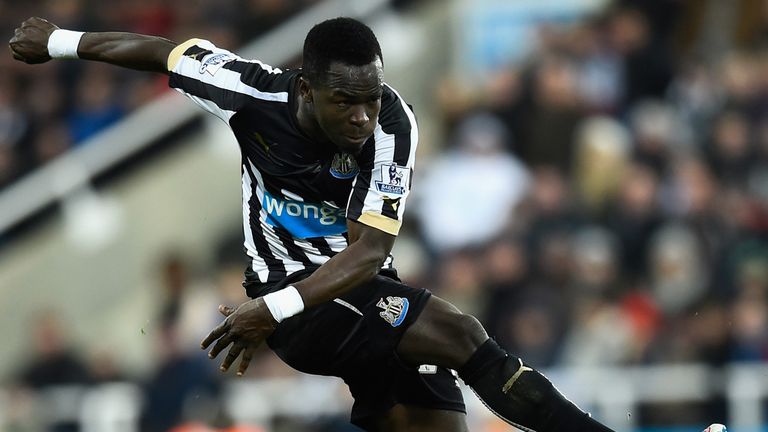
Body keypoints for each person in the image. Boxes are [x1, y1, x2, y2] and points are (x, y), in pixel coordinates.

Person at [9, 16, 619, 432]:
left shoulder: (391, 126)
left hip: (348, 290)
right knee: (461, 333)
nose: (361, 116)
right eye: (344, 101)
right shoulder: (251, 94)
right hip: (290, 301)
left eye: (371, 97)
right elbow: (162, 53)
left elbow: (369, 252)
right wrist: (61, 39)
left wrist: (262, 316)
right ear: (305, 87)